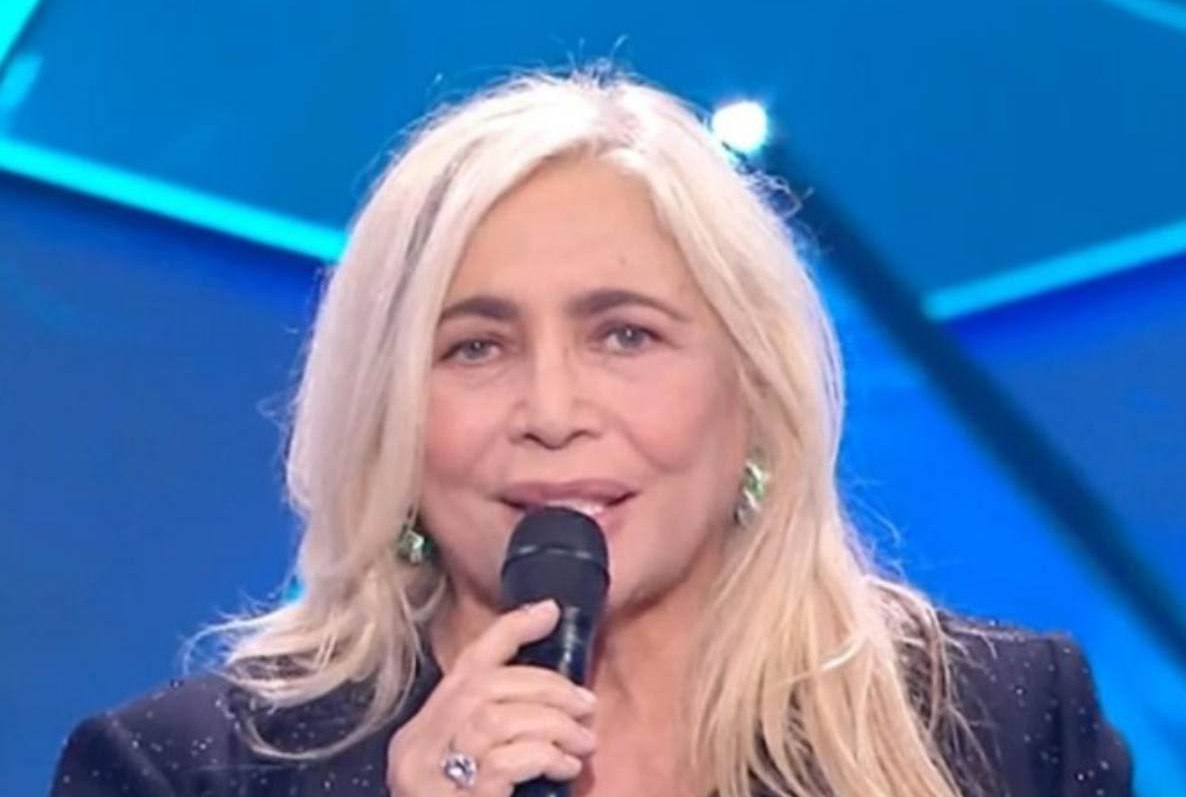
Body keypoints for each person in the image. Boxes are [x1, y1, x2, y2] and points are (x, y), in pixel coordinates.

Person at [50, 67, 1131, 797]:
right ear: (387, 416)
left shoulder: (1000, 724)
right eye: (476, 347)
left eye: (625, 335)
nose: (555, 413)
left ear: (754, 391)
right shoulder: (184, 770)